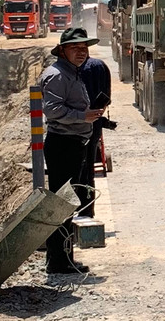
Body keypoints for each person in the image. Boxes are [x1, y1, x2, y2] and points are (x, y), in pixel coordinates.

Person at [39, 26, 102, 274]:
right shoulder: (57, 75)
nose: (81, 52)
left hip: (73, 143)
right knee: (61, 204)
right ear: (63, 50)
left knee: (67, 203)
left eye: (84, 48)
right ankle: (58, 261)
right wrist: (82, 117)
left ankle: (64, 258)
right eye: (75, 48)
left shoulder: (71, 73)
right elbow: (52, 110)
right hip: (63, 144)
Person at [77, 54, 111, 218]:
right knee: (88, 169)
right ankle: (87, 212)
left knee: (74, 172)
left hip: (73, 125)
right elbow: (106, 98)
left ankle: (75, 214)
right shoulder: (100, 66)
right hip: (94, 123)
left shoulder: (71, 69)